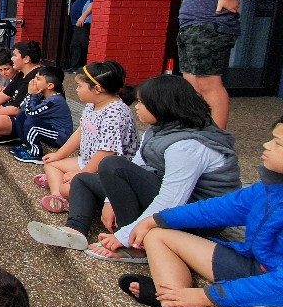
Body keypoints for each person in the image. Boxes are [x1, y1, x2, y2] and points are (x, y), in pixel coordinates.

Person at [29, 74, 240, 261]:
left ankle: (137, 244)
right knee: (82, 180)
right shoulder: (158, 129)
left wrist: (123, 236)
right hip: (167, 197)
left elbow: (172, 199)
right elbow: (138, 166)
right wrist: (110, 199)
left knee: (111, 165)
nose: (136, 106)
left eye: (141, 102)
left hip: (197, 219)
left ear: (162, 106)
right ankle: (75, 230)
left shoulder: (188, 145)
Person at [123, 115, 283, 307]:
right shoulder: (269, 188)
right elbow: (218, 209)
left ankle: (179, 303)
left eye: (278, 143)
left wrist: (205, 296)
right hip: (254, 268)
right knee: (158, 235)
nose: (266, 145)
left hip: (275, 293)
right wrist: (156, 219)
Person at [168, 0, 272, 129]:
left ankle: (216, 136)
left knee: (208, 83)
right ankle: (195, 126)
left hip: (210, 26)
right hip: (191, 26)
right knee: (191, 82)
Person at [36, 61, 139, 212]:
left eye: (80, 86)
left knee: (66, 187)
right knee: (50, 164)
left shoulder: (115, 114)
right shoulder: (92, 104)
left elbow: (106, 153)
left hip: (108, 173)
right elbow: (80, 132)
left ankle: (63, 192)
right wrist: (59, 154)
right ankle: (58, 196)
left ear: (97, 88)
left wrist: (80, 174)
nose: (76, 90)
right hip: (88, 160)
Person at [8, 66, 74, 165]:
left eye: (38, 79)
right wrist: (31, 94)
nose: (33, 81)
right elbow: (23, 107)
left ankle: (36, 154)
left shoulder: (55, 101)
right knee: (21, 116)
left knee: (32, 123)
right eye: (35, 77)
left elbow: (31, 112)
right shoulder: (41, 95)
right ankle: (26, 145)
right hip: (47, 129)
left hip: (59, 136)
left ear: (50, 86)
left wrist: (32, 94)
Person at [66, 0, 95, 72]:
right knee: (76, 44)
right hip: (79, 22)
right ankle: (75, 67)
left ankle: (79, 68)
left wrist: (83, 16)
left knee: (81, 45)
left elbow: (93, 3)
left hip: (84, 22)